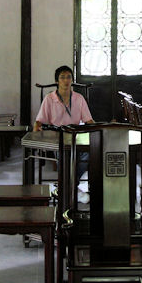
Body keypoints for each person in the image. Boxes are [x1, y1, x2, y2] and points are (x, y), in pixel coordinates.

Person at [33, 65, 95, 201]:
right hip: (57, 137)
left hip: (75, 136)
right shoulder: (49, 99)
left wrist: (97, 131)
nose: (66, 80)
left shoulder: (78, 98)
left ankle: (69, 184)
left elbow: (88, 120)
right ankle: (70, 186)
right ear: (57, 81)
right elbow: (39, 121)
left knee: (87, 154)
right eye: (62, 77)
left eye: (68, 77)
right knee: (65, 156)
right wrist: (36, 130)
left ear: (72, 80)